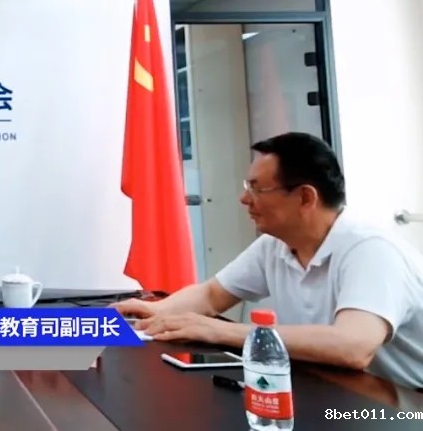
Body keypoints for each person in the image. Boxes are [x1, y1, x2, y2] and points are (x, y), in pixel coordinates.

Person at [113, 132, 423, 389]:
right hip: (333, 387)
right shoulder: (275, 246)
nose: (244, 199)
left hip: (404, 404)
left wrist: (218, 330)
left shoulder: (370, 250)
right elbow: (212, 295)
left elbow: (353, 347)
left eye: (257, 188)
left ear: (305, 197)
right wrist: (157, 313)